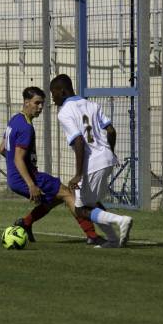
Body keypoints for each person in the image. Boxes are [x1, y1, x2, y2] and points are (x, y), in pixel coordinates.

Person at [0, 86, 105, 246]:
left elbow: (2, 149)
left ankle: (25, 223)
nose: (40, 107)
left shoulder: (14, 120)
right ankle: (92, 235)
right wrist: (31, 184)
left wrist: (15, 167)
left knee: (56, 198)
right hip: (26, 178)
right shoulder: (26, 128)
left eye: (42, 104)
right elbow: (18, 158)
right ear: (26, 102)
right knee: (68, 194)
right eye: (37, 103)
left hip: (16, 178)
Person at [49, 74, 133, 248]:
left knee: (80, 209)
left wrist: (78, 174)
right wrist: (110, 152)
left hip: (92, 164)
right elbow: (111, 131)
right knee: (92, 203)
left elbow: (79, 141)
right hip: (107, 158)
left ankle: (121, 220)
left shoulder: (64, 112)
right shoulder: (92, 104)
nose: (52, 97)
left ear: (62, 91)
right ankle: (112, 240)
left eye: (53, 93)